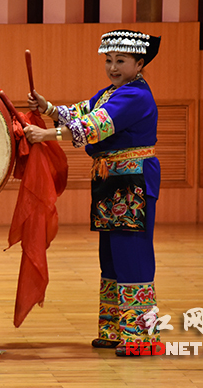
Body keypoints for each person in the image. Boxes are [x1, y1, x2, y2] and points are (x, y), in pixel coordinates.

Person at [25, 30, 162, 356]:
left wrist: (45, 133)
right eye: (109, 60)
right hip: (111, 181)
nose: (113, 67)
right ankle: (114, 329)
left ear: (139, 64)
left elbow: (93, 126)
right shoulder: (112, 92)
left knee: (134, 256)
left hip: (133, 183)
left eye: (121, 61)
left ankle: (142, 338)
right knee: (112, 258)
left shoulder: (135, 96)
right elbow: (81, 111)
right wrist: (48, 107)